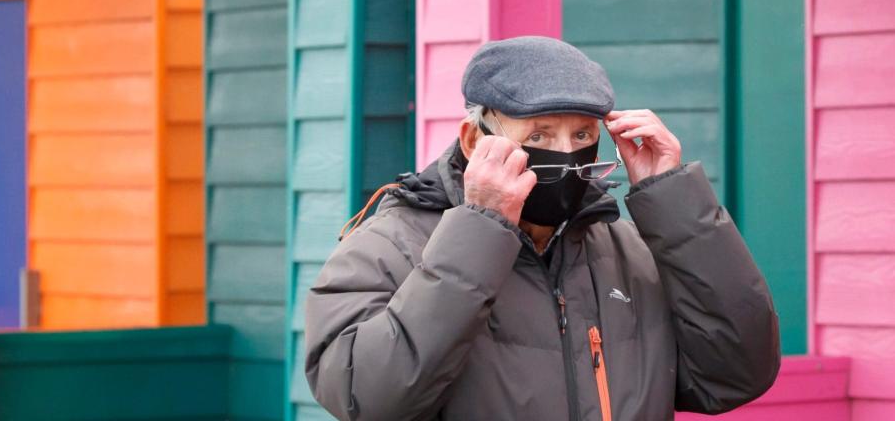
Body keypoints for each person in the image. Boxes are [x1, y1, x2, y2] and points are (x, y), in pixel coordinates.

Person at [304, 36, 779, 420]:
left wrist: (674, 204)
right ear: (474, 139)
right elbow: (363, 397)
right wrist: (480, 231)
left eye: (582, 136)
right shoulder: (391, 243)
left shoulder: (627, 249)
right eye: (538, 136)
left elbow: (734, 374)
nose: (567, 155)